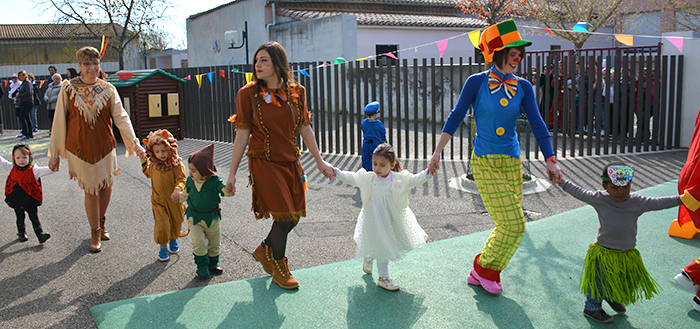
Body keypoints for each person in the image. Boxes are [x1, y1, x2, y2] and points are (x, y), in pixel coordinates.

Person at [427, 19, 562, 295]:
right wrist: (437, 151)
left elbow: (537, 122)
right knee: (514, 224)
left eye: (519, 54)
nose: (518, 58)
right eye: (513, 53)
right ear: (498, 52)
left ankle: (482, 269)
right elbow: (455, 116)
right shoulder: (476, 82)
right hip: (485, 162)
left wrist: (550, 159)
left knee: (508, 224)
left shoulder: (523, 86)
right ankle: (486, 269)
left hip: (512, 162)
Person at [225, 41, 334, 290]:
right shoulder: (247, 94)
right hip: (263, 160)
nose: (258, 65)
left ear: (278, 63)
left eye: (264, 60)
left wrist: (319, 161)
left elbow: (305, 127)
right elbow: (242, 135)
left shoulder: (298, 91)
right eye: (256, 60)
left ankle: (265, 249)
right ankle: (280, 266)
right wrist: (231, 173)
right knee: (284, 216)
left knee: (293, 216)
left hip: (290, 160)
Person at [559, 162, 686, 323]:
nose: (621, 191)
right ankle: (591, 308)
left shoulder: (637, 202)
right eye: (615, 187)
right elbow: (579, 192)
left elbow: (659, 202)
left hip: (626, 253)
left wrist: (682, 199)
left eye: (626, 186)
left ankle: (611, 296)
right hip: (603, 252)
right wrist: (560, 181)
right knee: (598, 282)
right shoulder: (599, 199)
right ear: (605, 185)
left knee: (621, 279)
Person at [48, 46, 146, 253]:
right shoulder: (68, 88)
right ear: (79, 66)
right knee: (91, 189)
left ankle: (101, 222)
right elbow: (59, 121)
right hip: (80, 148)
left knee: (106, 187)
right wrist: (55, 153)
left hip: (105, 146)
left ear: (99, 65)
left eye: (95, 63)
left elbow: (121, 117)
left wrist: (135, 143)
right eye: (87, 64)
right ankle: (95, 232)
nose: (91, 67)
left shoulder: (108, 89)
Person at [334, 143, 431, 291]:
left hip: (390, 218)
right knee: (380, 242)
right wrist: (336, 172)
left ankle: (371, 259)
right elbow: (352, 178)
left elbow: (415, 180)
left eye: (382, 165)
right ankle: (383, 277)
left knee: (383, 243)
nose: (377, 168)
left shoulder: (399, 178)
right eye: (375, 164)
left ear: (392, 165)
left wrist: (428, 172)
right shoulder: (368, 178)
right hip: (372, 217)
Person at [173, 144, 233, 278]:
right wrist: (178, 197)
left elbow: (224, 191)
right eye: (190, 169)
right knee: (198, 242)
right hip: (194, 217)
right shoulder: (190, 180)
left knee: (214, 242)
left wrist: (229, 190)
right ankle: (202, 266)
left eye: (193, 170)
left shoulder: (214, 180)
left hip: (212, 217)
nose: (190, 173)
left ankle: (213, 264)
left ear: (204, 170)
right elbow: (185, 193)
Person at [141, 129, 187, 262]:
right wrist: (143, 159)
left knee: (176, 222)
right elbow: (146, 172)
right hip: (158, 201)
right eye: (157, 151)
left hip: (174, 201)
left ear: (170, 148)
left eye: (164, 150)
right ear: (152, 152)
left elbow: (182, 179)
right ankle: (162, 246)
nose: (161, 154)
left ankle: (173, 239)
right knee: (162, 224)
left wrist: (178, 190)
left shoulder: (177, 165)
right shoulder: (154, 166)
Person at [1, 144, 55, 243]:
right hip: (17, 199)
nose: (21, 160)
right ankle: (21, 233)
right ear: (13, 158)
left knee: (34, 216)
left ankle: (40, 234)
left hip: (30, 199)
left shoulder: (34, 170)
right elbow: (2, 161)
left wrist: (54, 164)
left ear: (29, 157)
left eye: (24, 157)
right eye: (18, 158)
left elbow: (48, 170)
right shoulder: (11, 168)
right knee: (20, 217)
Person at [360, 101, 387, 171]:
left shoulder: (364, 123)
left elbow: (363, 129)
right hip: (376, 144)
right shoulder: (379, 124)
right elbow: (383, 135)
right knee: (375, 160)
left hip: (366, 144)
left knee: (365, 159)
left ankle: (365, 174)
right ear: (376, 114)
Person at [14, 70, 33, 140]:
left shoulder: (27, 82)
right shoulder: (23, 83)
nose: (21, 77)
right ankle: (30, 134)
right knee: (27, 118)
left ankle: (26, 133)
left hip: (27, 102)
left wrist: (19, 95)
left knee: (22, 117)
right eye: (19, 75)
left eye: (22, 75)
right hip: (23, 103)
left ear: (25, 76)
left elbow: (28, 92)